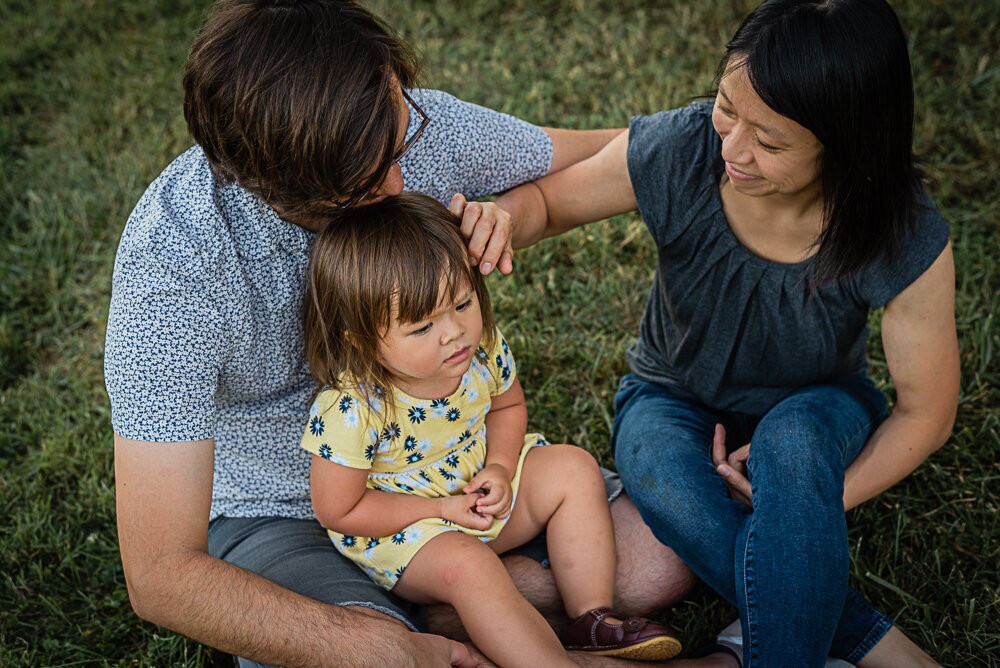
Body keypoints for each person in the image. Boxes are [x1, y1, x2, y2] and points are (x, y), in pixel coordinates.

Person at [104, 1, 694, 666]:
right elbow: (159, 571)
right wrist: (365, 644)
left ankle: (461, 609)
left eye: (400, 141)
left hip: (451, 466)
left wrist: (519, 211)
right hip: (282, 514)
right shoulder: (175, 272)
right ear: (272, 189)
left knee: (659, 559)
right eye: (368, 185)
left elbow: (609, 155)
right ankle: (442, 613)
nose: (405, 181)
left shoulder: (398, 120)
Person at [491, 0, 959, 666]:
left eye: (769, 141)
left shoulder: (899, 231)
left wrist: (809, 506)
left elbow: (927, 413)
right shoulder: (684, 147)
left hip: (817, 402)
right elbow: (548, 204)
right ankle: (878, 647)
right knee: (661, 478)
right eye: (727, 108)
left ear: (847, 142)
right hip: (669, 395)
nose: (732, 149)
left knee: (794, 448)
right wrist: (502, 220)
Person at [299, 192, 683, 666]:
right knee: (470, 566)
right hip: (409, 536)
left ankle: (590, 618)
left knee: (572, 468)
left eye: (462, 303)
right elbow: (340, 510)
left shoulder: (479, 351)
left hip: (479, 492)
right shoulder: (352, 408)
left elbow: (507, 407)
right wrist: (442, 509)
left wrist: (501, 466)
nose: (453, 332)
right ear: (362, 340)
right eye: (422, 327)